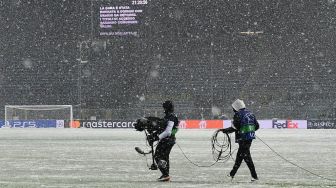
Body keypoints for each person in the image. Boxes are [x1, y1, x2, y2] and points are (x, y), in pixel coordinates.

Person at [221, 99, 259, 182]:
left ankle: (254, 176)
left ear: (236, 107)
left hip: (243, 138)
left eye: (233, 108)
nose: (233, 110)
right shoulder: (250, 113)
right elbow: (257, 126)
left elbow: (235, 127)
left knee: (246, 156)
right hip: (249, 138)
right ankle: (232, 174)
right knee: (241, 156)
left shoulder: (238, 114)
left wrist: (225, 130)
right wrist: (249, 130)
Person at [147, 100, 179, 182]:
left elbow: (168, 131)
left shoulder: (171, 117)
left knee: (158, 156)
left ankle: (165, 174)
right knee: (165, 157)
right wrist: (153, 136)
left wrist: (157, 138)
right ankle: (165, 175)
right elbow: (162, 130)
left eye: (164, 107)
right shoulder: (169, 117)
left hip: (168, 140)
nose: (163, 109)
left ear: (166, 108)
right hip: (168, 140)